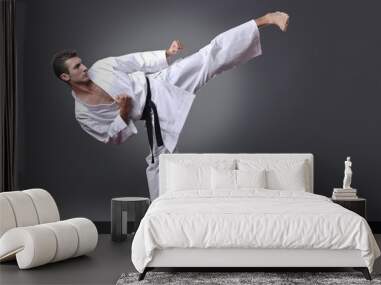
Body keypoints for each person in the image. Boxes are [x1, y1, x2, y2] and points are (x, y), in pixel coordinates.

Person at [52, 11, 290, 201]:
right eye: (76, 68)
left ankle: (266, 19)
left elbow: (135, 60)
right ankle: (161, 219)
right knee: (159, 164)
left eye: (81, 63)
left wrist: (166, 54)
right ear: (66, 78)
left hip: (160, 84)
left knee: (208, 56)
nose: (83, 68)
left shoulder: (101, 67)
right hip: (153, 115)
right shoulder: (83, 113)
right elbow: (111, 137)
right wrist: (123, 112)